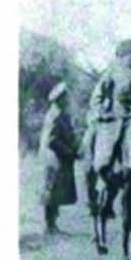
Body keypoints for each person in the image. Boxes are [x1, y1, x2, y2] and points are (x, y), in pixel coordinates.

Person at [38, 83, 79, 234]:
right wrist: (69, 151)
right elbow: (52, 140)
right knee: (51, 191)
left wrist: (74, 148)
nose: (67, 100)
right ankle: (49, 226)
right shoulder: (54, 115)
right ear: (59, 99)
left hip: (61, 159)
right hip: (54, 159)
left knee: (58, 192)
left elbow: (68, 135)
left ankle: (53, 225)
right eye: (64, 98)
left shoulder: (63, 114)